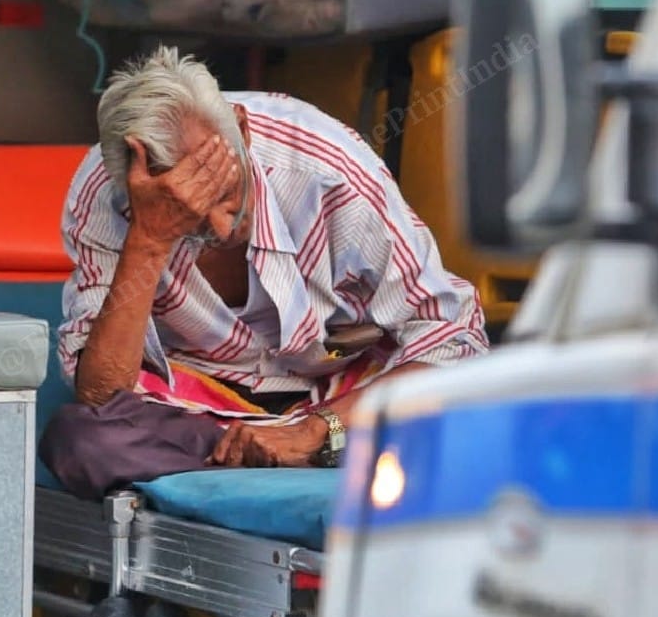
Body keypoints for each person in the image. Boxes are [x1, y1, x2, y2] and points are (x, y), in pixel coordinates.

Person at [41, 47, 488, 499]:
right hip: (198, 411)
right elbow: (102, 395)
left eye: (226, 194)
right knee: (81, 443)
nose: (220, 229)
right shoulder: (106, 192)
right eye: (189, 218)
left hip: (340, 399)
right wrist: (150, 239)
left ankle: (294, 456)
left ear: (242, 130)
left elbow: (453, 338)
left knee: (470, 417)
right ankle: (280, 460)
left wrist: (316, 430)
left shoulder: (327, 167)